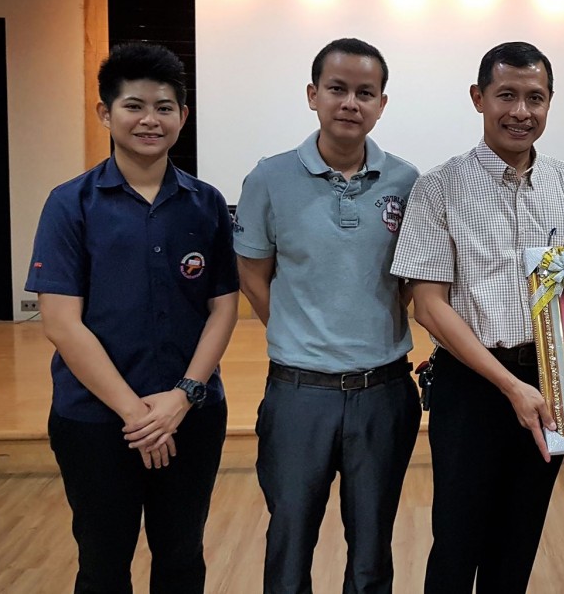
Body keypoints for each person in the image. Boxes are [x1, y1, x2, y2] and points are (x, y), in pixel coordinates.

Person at [390, 41, 564, 593]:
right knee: (456, 542)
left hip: (552, 387)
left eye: (535, 98)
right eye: (506, 95)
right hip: (472, 386)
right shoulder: (439, 187)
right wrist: (511, 386)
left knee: (518, 541)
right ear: (479, 98)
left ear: (550, 102)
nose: (521, 111)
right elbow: (429, 305)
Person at [26, 42, 239, 593]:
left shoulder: (207, 204)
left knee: (182, 558)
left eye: (164, 107)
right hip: (95, 422)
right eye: (134, 106)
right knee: (102, 565)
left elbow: (223, 306)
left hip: (191, 416)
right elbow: (60, 322)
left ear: (183, 116)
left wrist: (183, 397)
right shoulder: (70, 204)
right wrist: (138, 415)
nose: (150, 120)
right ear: (105, 113)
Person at [233, 38, 421, 594]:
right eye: (337, 89)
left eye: (365, 92)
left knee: (372, 552)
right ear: (313, 95)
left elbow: (410, 281)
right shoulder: (269, 178)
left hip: (384, 392)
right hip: (298, 395)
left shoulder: (407, 181)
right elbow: (253, 275)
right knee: (289, 544)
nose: (350, 103)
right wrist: (299, 334)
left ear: (382, 103)